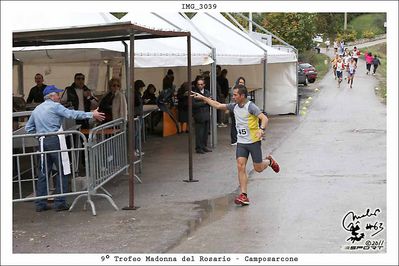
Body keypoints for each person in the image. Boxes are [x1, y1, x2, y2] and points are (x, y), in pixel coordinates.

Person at [191, 84, 280, 206]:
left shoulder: (251, 107)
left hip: (253, 141)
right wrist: (203, 98)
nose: (233, 97)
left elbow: (264, 118)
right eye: (233, 94)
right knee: (240, 166)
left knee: (258, 168)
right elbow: (217, 105)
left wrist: (261, 129)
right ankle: (244, 195)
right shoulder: (234, 106)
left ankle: (269, 161)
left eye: (235, 95)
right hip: (242, 143)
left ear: (242, 96)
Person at [25, 85, 105, 212]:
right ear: (52, 96)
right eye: (57, 94)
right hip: (55, 139)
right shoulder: (55, 106)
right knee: (63, 170)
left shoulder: (37, 109)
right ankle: (60, 202)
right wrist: (91, 114)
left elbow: (29, 128)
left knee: (43, 173)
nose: (59, 96)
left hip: (42, 141)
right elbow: (71, 114)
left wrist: (39, 137)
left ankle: (40, 203)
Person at [192, 77, 212, 154]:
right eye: (198, 84)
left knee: (206, 132)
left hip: (206, 114)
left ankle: (204, 146)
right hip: (199, 115)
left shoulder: (207, 92)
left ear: (204, 84)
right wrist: (204, 102)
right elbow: (194, 104)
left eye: (201, 84)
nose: (200, 86)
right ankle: (198, 148)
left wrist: (206, 101)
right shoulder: (194, 93)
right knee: (199, 133)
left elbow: (210, 101)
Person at [230, 77, 246, 145]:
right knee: (234, 124)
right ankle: (234, 140)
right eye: (240, 82)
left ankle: (238, 138)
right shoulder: (235, 89)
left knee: (239, 124)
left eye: (242, 83)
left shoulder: (243, 90)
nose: (241, 84)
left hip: (241, 109)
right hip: (234, 108)